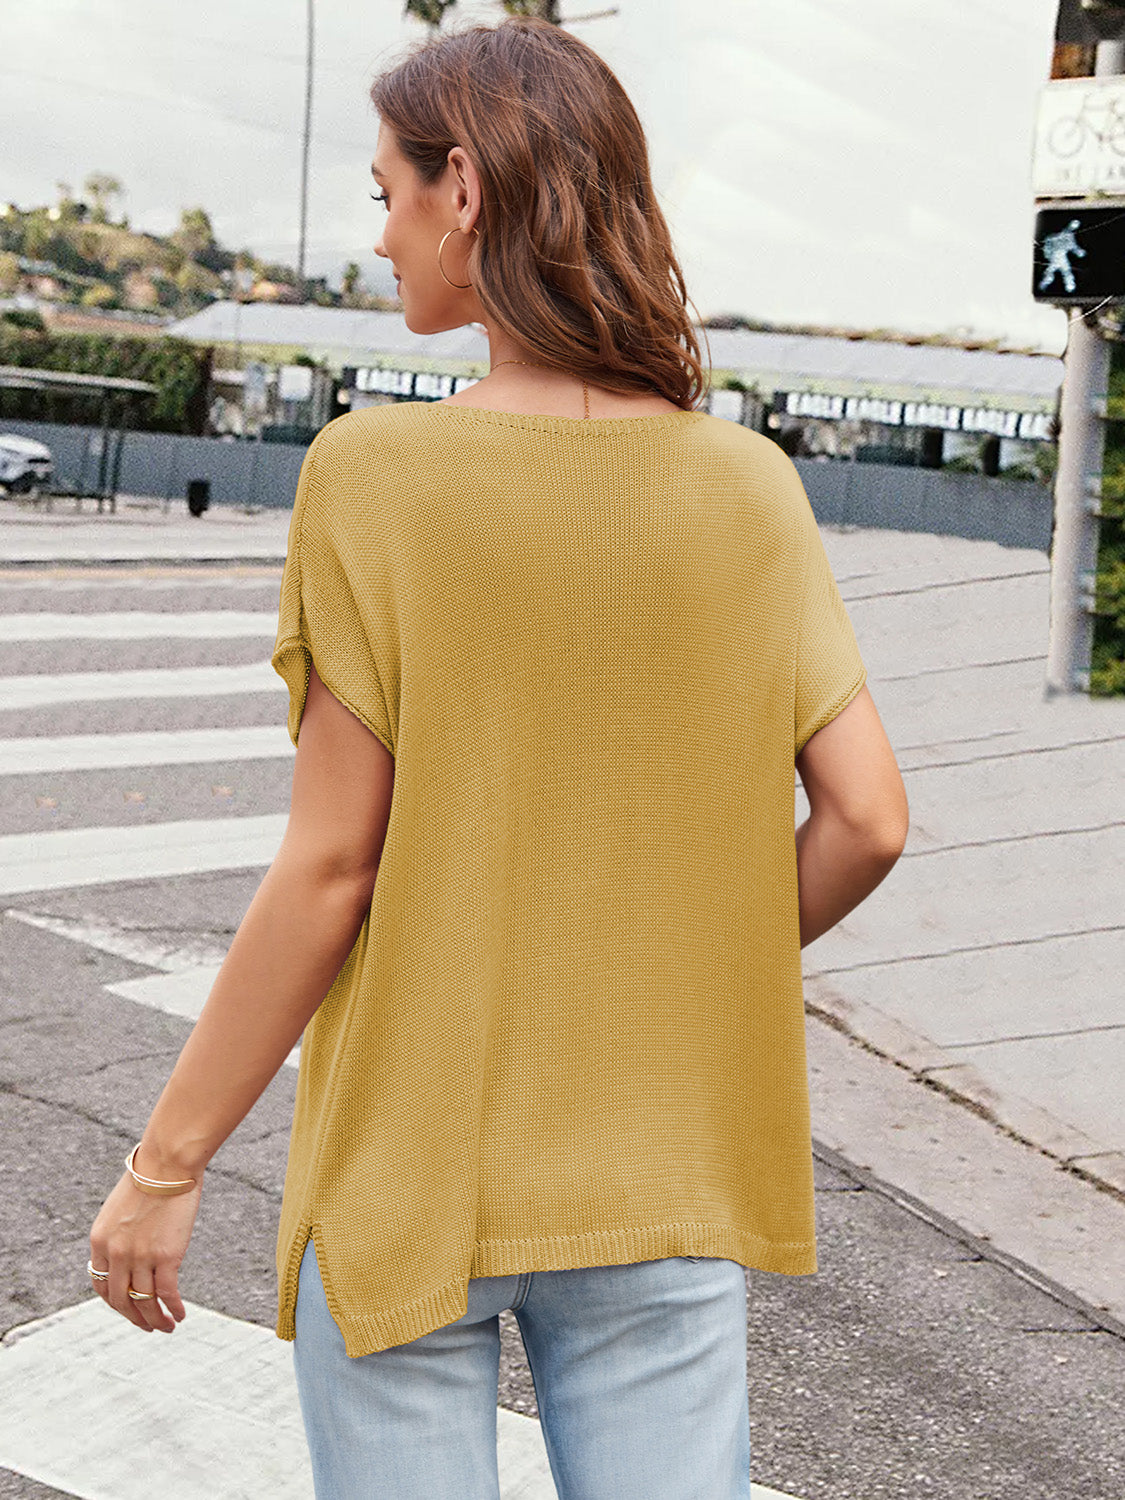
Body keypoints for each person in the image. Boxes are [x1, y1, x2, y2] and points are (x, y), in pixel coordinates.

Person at [89, 16, 909, 1499]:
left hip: (413, 1164)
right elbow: (866, 820)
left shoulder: (374, 473)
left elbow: (331, 868)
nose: (381, 235)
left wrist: (166, 1166)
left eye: (388, 191)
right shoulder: (750, 485)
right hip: (659, 1165)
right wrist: (658, 974)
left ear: (461, 188)